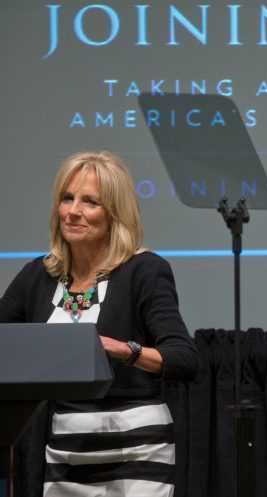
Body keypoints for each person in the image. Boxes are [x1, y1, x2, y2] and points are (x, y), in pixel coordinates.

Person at [0, 151, 198, 497]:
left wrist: (123, 350)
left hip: (137, 452)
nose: (73, 211)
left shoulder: (144, 270)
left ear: (114, 214)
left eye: (90, 201)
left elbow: (184, 359)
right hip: (64, 455)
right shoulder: (37, 275)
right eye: (67, 198)